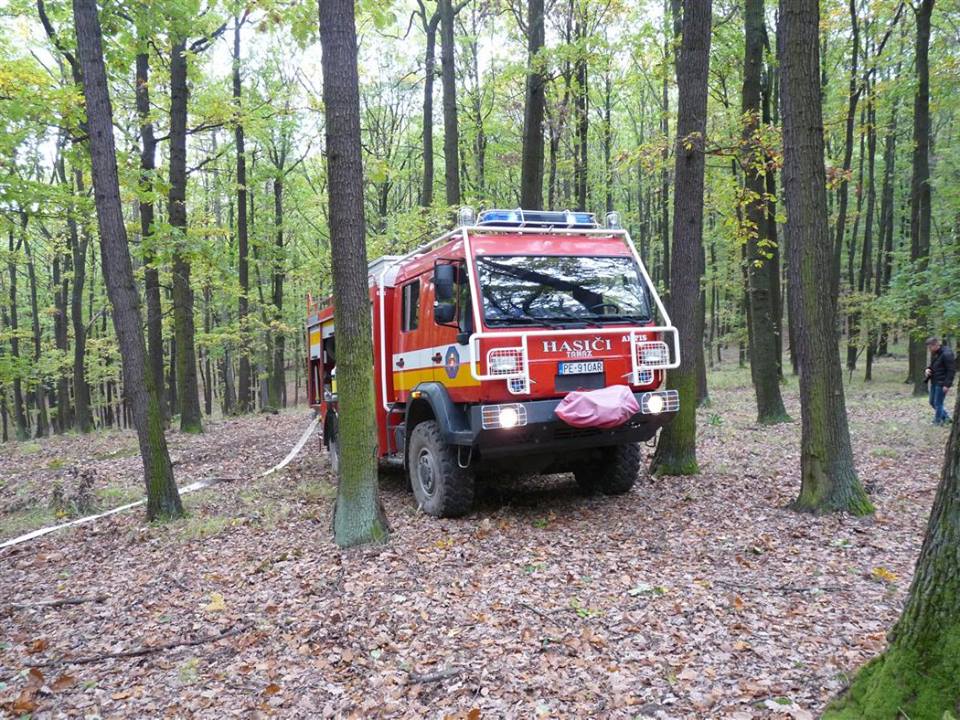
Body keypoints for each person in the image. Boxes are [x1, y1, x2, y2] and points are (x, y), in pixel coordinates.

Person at [925, 337, 956, 426]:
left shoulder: (947, 354)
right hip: (934, 381)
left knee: (938, 403)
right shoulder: (937, 353)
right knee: (932, 402)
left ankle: (937, 421)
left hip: (942, 383)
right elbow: (933, 365)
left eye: (930, 347)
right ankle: (946, 418)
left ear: (935, 345)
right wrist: (927, 369)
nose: (929, 350)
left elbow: (951, 370)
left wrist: (947, 385)